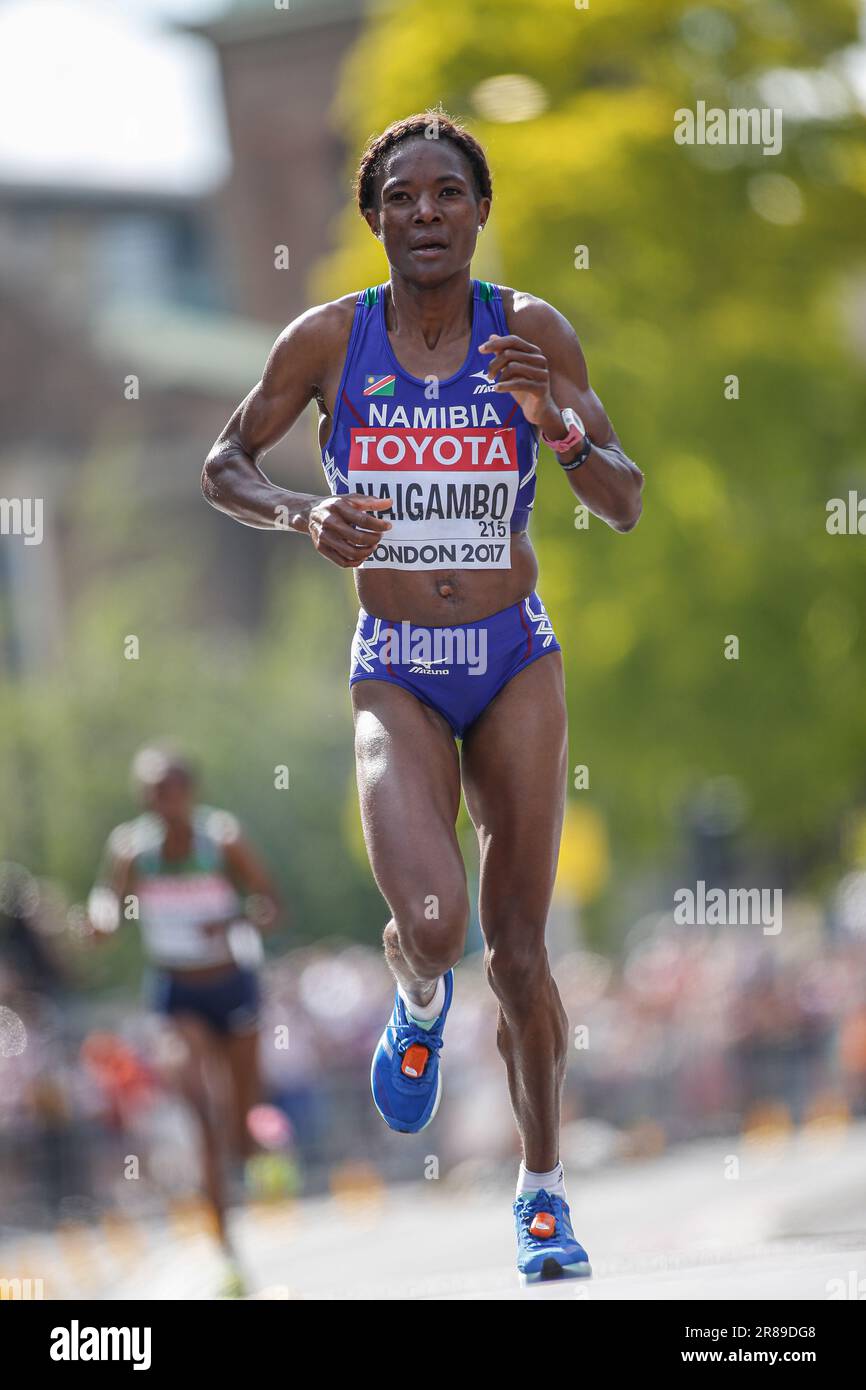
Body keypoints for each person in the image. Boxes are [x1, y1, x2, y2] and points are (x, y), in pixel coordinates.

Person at [202, 110, 643, 1284]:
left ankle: (541, 1196)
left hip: (513, 658)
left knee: (515, 952)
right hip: (393, 657)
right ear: (374, 219)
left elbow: (623, 498)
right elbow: (223, 464)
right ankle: (411, 999)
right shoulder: (328, 342)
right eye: (402, 197)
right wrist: (304, 514)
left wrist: (553, 424)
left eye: (448, 193)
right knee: (437, 930)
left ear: (479, 211)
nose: (427, 213)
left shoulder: (529, 330)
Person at [86, 743, 281, 1293]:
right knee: (202, 1116)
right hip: (177, 992)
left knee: (239, 1121)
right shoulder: (132, 848)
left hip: (231, 984)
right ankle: (226, 1248)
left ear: (188, 792)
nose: (161, 800)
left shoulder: (222, 839)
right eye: (151, 791)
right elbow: (108, 899)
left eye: (170, 789)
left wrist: (231, 920)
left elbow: (271, 906)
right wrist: (100, 924)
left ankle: (252, 1143)